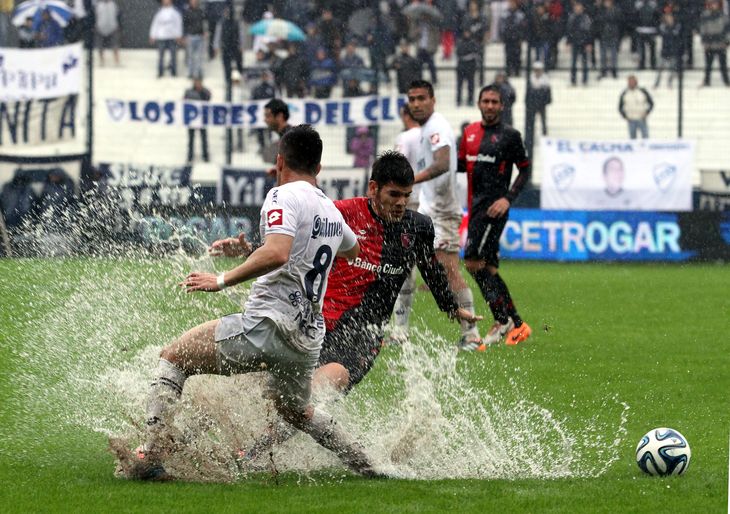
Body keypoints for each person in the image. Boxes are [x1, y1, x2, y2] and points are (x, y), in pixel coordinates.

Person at [111, 125, 385, 481]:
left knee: (173, 357)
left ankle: (150, 456)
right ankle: (366, 464)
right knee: (296, 412)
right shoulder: (332, 211)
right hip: (304, 339)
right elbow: (352, 249)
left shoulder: (281, 195)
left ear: (279, 161)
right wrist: (262, 251)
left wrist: (221, 280)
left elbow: (278, 252)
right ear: (319, 168)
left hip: (267, 325)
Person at [211, 151, 482, 460]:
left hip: (364, 336)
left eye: (406, 196)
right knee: (266, 386)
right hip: (316, 324)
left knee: (319, 389)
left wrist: (450, 307)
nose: (400, 202)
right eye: (393, 194)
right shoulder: (339, 213)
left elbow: (431, 268)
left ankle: (252, 452)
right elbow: (296, 242)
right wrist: (250, 249)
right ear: (373, 188)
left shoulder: (418, 227)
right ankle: (213, 428)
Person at [406, 79, 481, 350]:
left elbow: (442, 162)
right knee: (405, 264)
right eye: (412, 99)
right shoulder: (427, 128)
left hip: (442, 211)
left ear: (433, 100)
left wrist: (410, 180)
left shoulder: (437, 126)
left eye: (421, 98)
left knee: (449, 270)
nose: (416, 104)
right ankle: (398, 329)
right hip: (429, 209)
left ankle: (471, 332)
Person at [458, 84, 532, 347]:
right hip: (475, 208)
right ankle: (517, 324)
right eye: (485, 101)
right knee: (487, 267)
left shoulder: (510, 136)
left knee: (473, 262)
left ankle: (503, 321)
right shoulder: (468, 134)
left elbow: (524, 170)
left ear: (502, 106)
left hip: (494, 209)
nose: (489, 105)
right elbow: (457, 166)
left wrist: (507, 199)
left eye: (494, 102)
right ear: (479, 103)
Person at [391, 105, 424, 342]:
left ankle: (400, 329)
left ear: (405, 115)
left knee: (400, 269)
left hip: (407, 205)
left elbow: (399, 168)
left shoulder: (405, 137)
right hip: (428, 206)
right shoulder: (430, 136)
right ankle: (469, 330)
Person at [149, 0, 183, 78]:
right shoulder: (159, 12)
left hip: (172, 36)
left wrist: (179, 35)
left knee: (173, 56)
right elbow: (155, 24)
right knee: (161, 56)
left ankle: (173, 72)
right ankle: (160, 72)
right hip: (162, 36)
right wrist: (152, 35)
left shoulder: (175, 12)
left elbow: (178, 24)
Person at [699, 0, 730, 87]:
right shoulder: (705, 16)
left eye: (715, 3)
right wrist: (704, 41)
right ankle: (707, 81)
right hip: (709, 45)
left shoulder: (723, 16)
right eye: (712, 4)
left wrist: (727, 42)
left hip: (720, 44)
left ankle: (726, 81)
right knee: (708, 65)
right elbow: (703, 30)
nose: (713, 5)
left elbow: (727, 30)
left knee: (723, 65)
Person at [524, 61, 552, 155]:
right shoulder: (531, 80)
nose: (537, 72)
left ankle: (544, 135)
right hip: (532, 104)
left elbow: (548, 93)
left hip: (541, 104)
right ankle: (532, 136)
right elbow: (527, 93)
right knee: (532, 121)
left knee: (543, 120)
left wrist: (546, 101)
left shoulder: (545, 80)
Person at [184, 78, 211, 162]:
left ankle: (205, 155)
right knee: (191, 139)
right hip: (192, 119)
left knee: (204, 138)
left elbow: (208, 98)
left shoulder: (205, 91)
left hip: (202, 118)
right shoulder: (189, 92)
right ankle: (190, 155)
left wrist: (202, 91)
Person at [618, 75, 653, 139]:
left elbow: (651, 103)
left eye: (632, 81)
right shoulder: (625, 93)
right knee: (632, 139)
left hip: (641, 118)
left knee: (645, 137)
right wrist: (625, 116)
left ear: (636, 82)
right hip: (631, 119)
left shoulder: (642, 91)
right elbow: (620, 107)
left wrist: (647, 112)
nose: (631, 83)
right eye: (630, 82)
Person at [261, 98, 292, 165]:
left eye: (268, 116)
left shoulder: (290, 139)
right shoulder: (288, 136)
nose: (265, 120)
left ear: (279, 116)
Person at [182, 0, 206, 79]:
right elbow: (185, 25)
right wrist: (185, 36)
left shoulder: (200, 11)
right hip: (191, 36)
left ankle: (198, 72)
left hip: (199, 36)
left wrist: (204, 32)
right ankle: (190, 72)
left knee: (199, 56)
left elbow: (203, 23)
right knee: (190, 56)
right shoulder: (187, 12)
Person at [95, 0, 120, 66]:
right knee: (100, 46)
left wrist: (118, 25)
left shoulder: (113, 4)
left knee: (115, 45)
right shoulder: (98, 5)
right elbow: (95, 15)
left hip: (113, 27)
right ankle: (101, 61)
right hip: (100, 27)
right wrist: (96, 25)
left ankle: (117, 61)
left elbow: (118, 15)